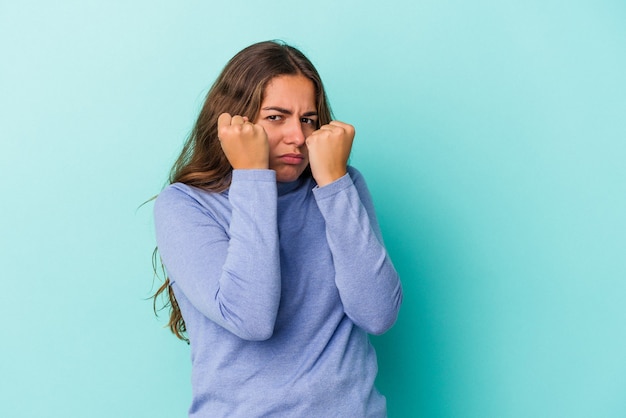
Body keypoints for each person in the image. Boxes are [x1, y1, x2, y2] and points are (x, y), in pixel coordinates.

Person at [152, 40, 403, 417]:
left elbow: (378, 314)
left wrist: (335, 184)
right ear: (234, 124)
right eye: (275, 117)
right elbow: (251, 318)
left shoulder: (340, 186)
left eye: (308, 119)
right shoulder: (185, 205)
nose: (298, 138)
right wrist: (252, 177)